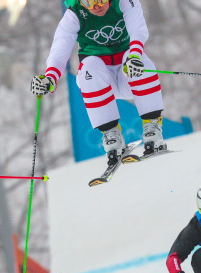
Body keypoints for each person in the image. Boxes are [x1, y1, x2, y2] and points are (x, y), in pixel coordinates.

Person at [30, 0, 166, 166]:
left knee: (138, 60)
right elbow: (60, 48)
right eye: (88, 2)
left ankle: (152, 128)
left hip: (129, 74)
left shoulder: (123, 2)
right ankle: (112, 136)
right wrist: (50, 78)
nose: (96, 6)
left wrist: (135, 56)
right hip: (102, 83)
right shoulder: (74, 15)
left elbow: (137, 29)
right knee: (88, 67)